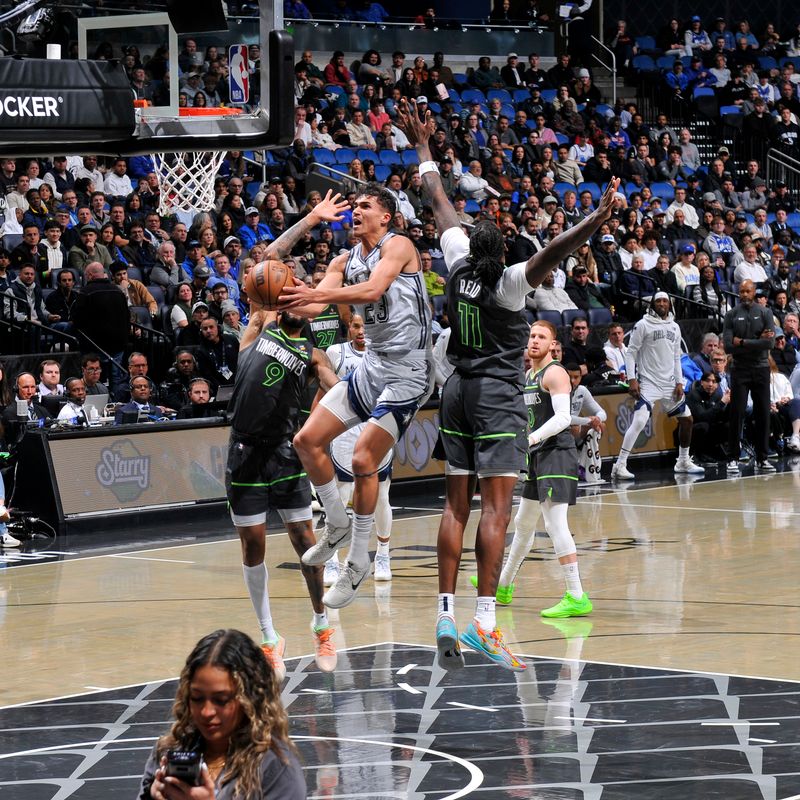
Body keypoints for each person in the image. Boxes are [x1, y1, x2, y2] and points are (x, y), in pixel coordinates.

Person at [396, 98, 617, 670]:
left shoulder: (457, 260)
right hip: (496, 396)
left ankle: (444, 611)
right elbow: (555, 250)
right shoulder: (513, 283)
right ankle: (484, 624)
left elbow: (436, 198)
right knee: (497, 510)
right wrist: (595, 220)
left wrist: (422, 146)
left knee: (454, 507)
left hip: (454, 392)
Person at [279, 183, 433, 612]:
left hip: (410, 370)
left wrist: (317, 294)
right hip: (374, 366)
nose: (358, 212)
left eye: (366, 206)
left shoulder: (399, 245)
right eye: (356, 207)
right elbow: (309, 308)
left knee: (365, 460)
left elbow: (371, 292)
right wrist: (279, 294)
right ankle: (337, 524)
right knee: (305, 441)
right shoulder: (343, 260)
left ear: (386, 216)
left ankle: (358, 560)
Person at [225, 301, 339, 680]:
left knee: (306, 542)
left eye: (305, 306)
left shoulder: (312, 355)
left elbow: (336, 390)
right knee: (252, 546)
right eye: (290, 302)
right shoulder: (256, 331)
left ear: (312, 317)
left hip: (284, 452)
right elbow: (269, 268)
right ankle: (269, 637)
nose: (295, 309)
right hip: (243, 453)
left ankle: (321, 625)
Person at [487, 322, 593, 619]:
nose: (535, 341)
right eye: (532, 336)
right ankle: (504, 585)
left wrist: (531, 438)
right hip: (538, 456)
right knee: (523, 522)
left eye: (542, 337)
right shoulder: (529, 375)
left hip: (556, 454)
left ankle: (575, 594)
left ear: (553, 344)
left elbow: (562, 418)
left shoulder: (555, 372)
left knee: (555, 523)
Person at [137, 628, 306, 800]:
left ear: (249, 698)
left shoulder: (276, 767)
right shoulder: (169, 750)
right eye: (197, 698)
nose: (206, 712)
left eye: (221, 700)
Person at [323, 314, 394, 586]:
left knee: (381, 496)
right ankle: (332, 559)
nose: (362, 330)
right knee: (339, 498)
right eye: (356, 326)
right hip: (345, 430)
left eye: (366, 325)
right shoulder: (336, 353)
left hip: (377, 426)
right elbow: (325, 392)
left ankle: (383, 555)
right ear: (348, 328)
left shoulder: (387, 353)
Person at [611, 293, 705, 480]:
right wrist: (632, 379)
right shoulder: (642, 324)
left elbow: (677, 356)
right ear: (652, 305)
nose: (662, 304)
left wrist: (679, 381)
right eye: (658, 301)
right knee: (639, 421)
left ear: (669, 304)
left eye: (665, 301)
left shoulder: (675, 327)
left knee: (687, 420)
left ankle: (683, 461)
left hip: (669, 383)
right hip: (648, 382)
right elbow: (631, 354)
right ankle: (619, 465)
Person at [722, 279, 776, 474]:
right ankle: (733, 458)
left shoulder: (765, 313)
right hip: (739, 370)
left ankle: (762, 458)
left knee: (763, 413)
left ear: (754, 292)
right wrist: (756, 341)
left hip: (761, 368)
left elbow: (769, 345)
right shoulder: (731, 315)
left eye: (748, 291)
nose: (744, 294)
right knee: (737, 412)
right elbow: (728, 346)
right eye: (741, 291)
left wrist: (742, 343)